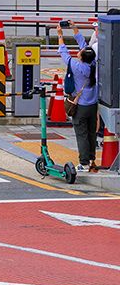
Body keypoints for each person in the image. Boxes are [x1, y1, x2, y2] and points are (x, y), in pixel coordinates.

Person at [59, 21, 100, 172]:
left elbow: (64, 53)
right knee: (91, 134)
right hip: (92, 105)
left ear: (82, 56)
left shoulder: (77, 67)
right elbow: (84, 45)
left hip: (81, 106)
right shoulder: (93, 63)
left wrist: (60, 36)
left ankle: (83, 163)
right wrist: (75, 28)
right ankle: (92, 160)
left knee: (81, 134)